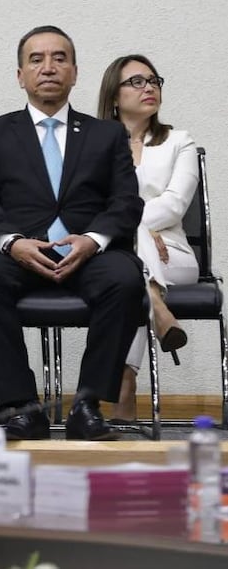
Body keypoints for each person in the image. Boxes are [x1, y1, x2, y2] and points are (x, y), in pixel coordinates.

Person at [0, 26, 145, 441]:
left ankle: (87, 406)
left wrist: (94, 239)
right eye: (37, 59)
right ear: (20, 75)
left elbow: (126, 202)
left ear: (75, 72)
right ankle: (21, 407)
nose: (49, 67)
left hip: (88, 253)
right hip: (20, 251)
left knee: (125, 277)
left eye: (59, 58)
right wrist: (12, 242)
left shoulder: (106, 134)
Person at [97, 54, 198, 422]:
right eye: (136, 82)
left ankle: (125, 383)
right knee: (130, 274)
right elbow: (86, 205)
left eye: (154, 80)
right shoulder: (95, 145)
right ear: (113, 95)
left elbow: (174, 205)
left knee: (130, 267)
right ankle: (157, 308)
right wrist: (133, 228)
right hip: (120, 255)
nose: (149, 87)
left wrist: (127, 224)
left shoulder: (178, 142)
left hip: (173, 254)